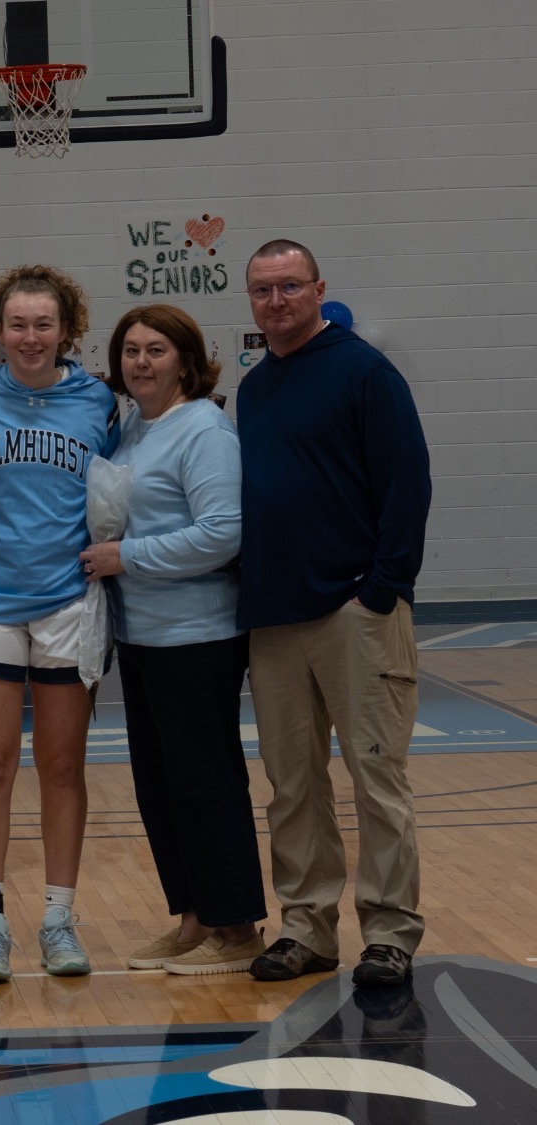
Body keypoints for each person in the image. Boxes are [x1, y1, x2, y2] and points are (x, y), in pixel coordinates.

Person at [235, 239, 432, 988]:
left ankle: (388, 931)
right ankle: (307, 927)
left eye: (289, 286)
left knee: (376, 777)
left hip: (356, 611)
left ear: (319, 288)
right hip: (274, 618)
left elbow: (408, 484)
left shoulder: (365, 373)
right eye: (262, 290)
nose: (276, 300)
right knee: (292, 784)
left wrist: (381, 587)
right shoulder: (256, 389)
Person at [0, 265, 118, 982]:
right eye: (18, 324)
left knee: (63, 764)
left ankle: (58, 917)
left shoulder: (100, 401)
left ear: (67, 330)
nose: (31, 337)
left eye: (45, 324)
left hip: (69, 602)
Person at [78, 304, 266, 976]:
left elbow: (223, 532)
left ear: (186, 359)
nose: (141, 362)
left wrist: (128, 556)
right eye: (130, 350)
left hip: (198, 635)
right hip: (144, 636)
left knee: (205, 782)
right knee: (160, 785)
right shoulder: (131, 426)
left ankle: (237, 925)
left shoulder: (204, 429)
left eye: (156, 349)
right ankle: (193, 918)